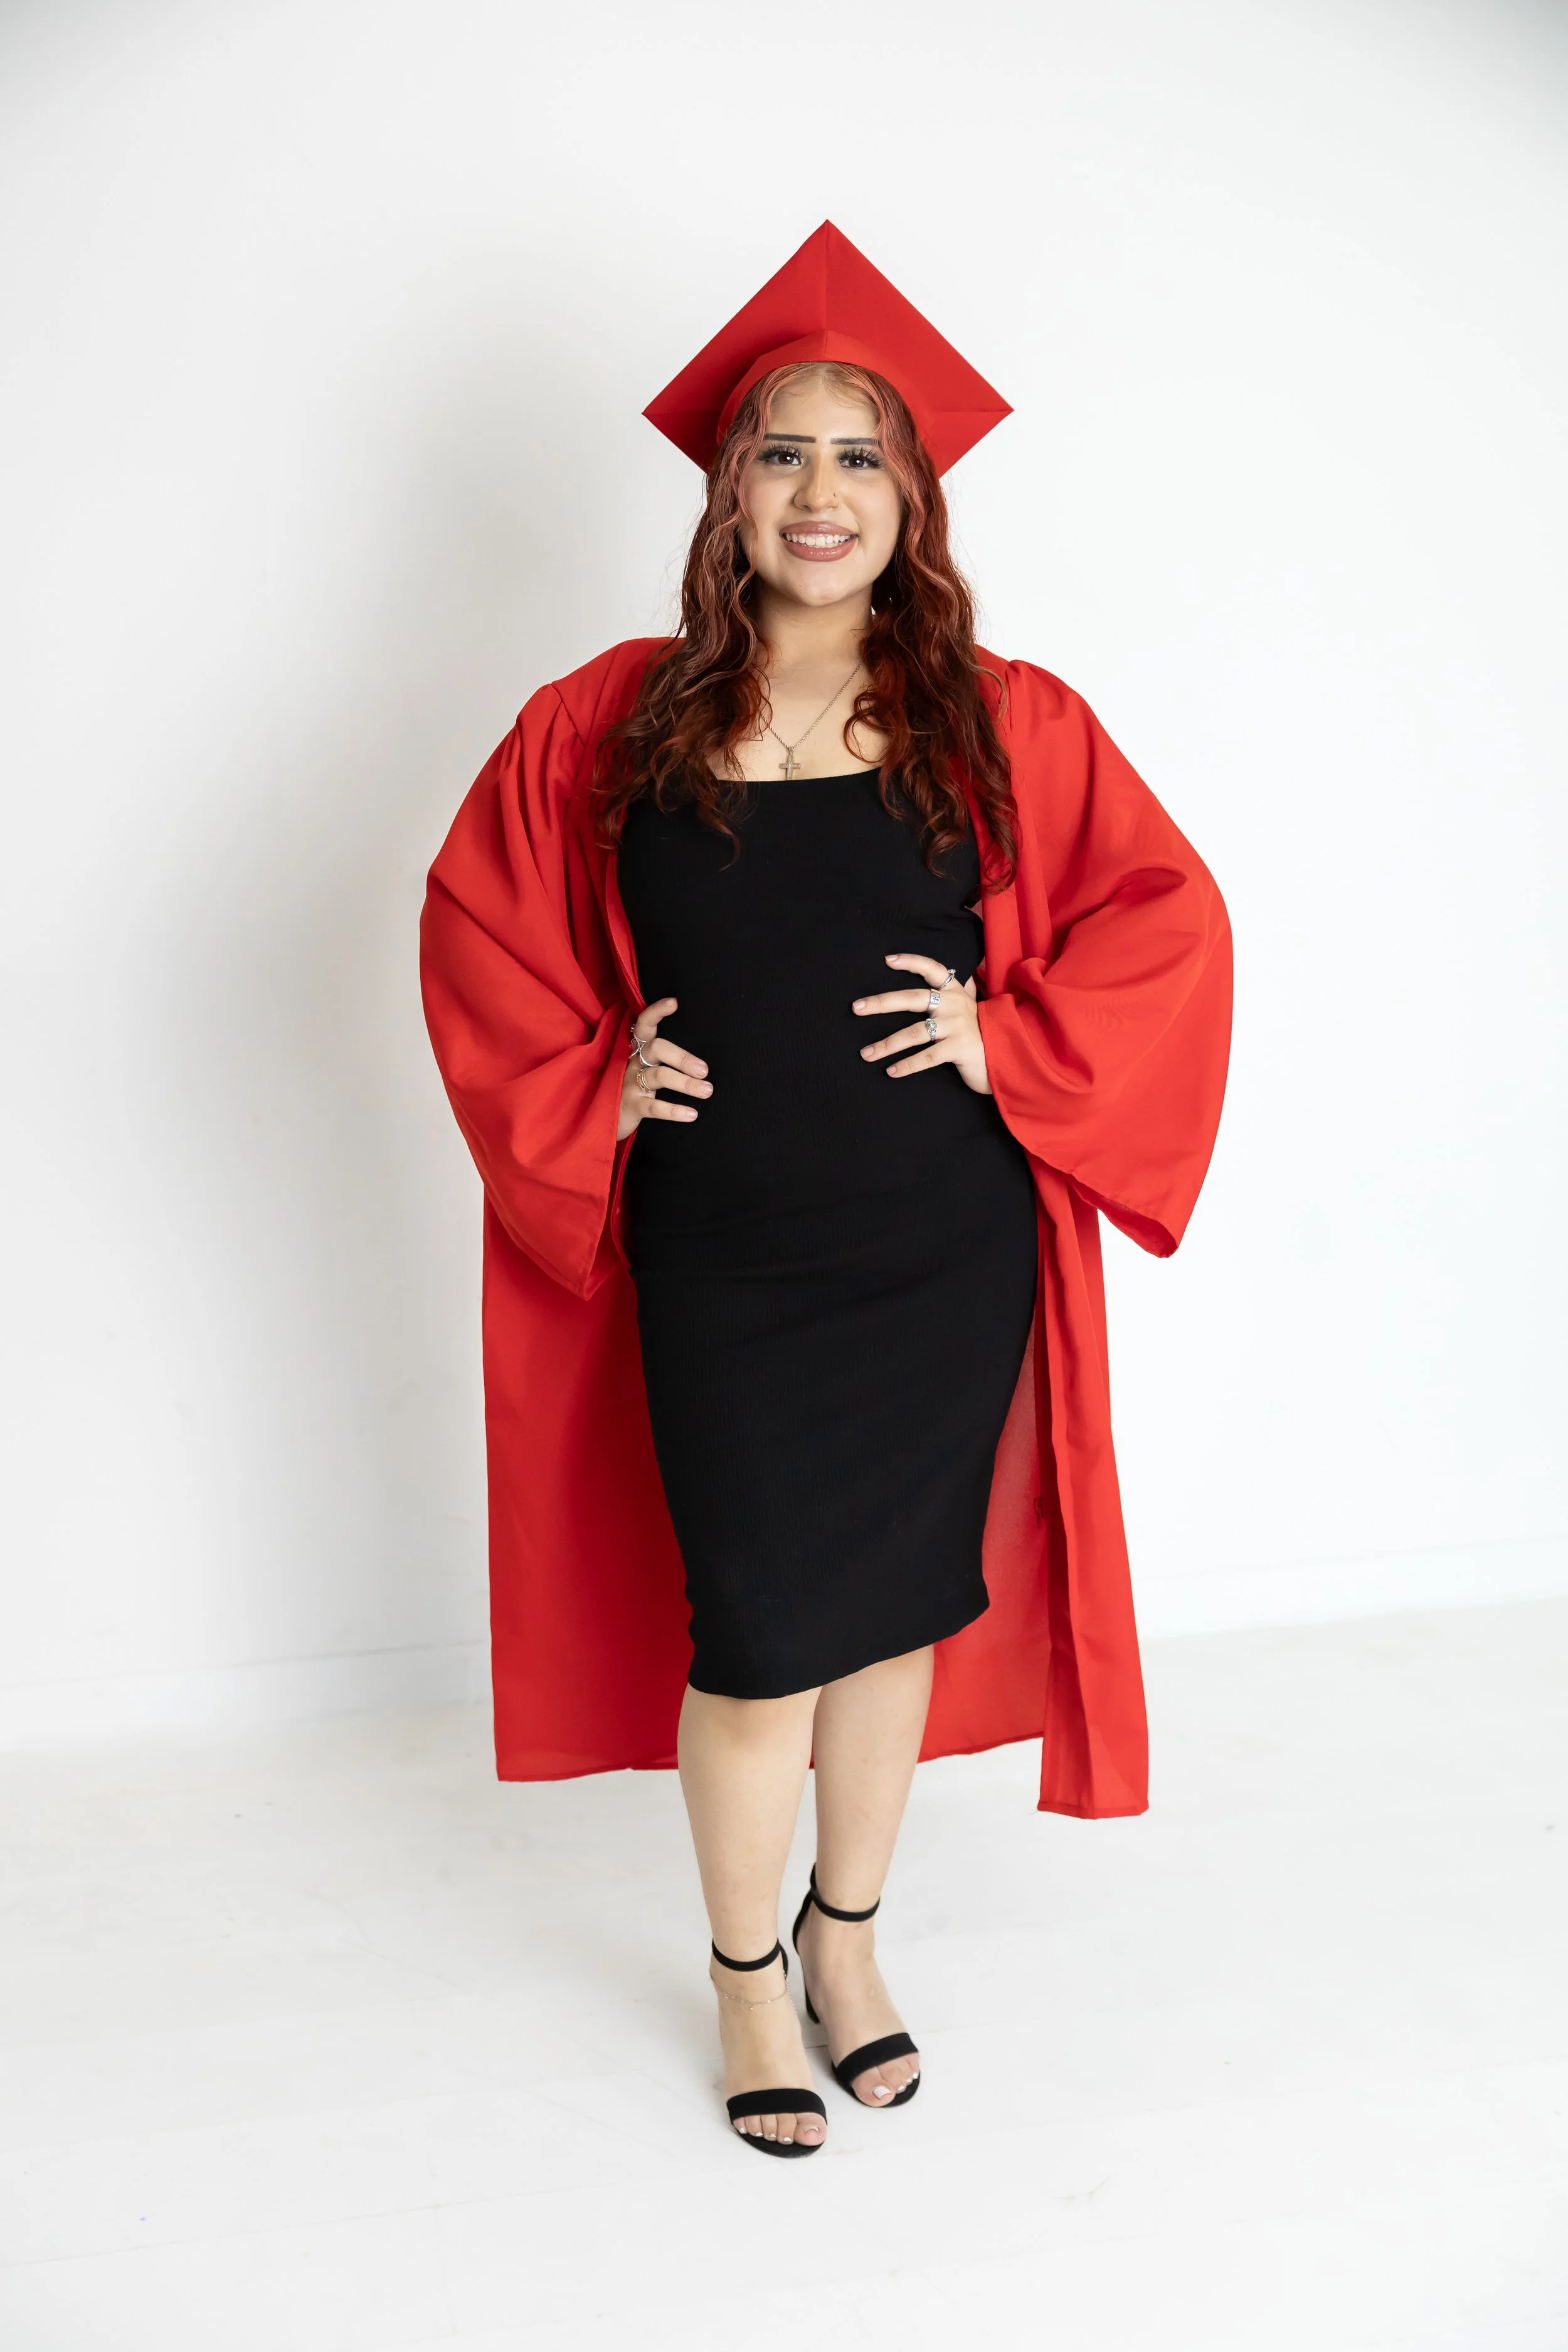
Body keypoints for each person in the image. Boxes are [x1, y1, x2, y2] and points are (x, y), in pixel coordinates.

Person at [420, 223, 1232, 2158]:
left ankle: (845, 1942)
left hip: (936, 1253)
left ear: (911, 499)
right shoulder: (604, 723)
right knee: (756, 1632)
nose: (818, 491)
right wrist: (591, 1079)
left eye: (858, 456)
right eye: (780, 452)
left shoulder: (998, 721)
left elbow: (1165, 920)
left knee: (890, 1620)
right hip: (723, 1257)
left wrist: (1007, 1040)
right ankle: (739, 1975)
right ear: (728, 493)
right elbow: (478, 932)